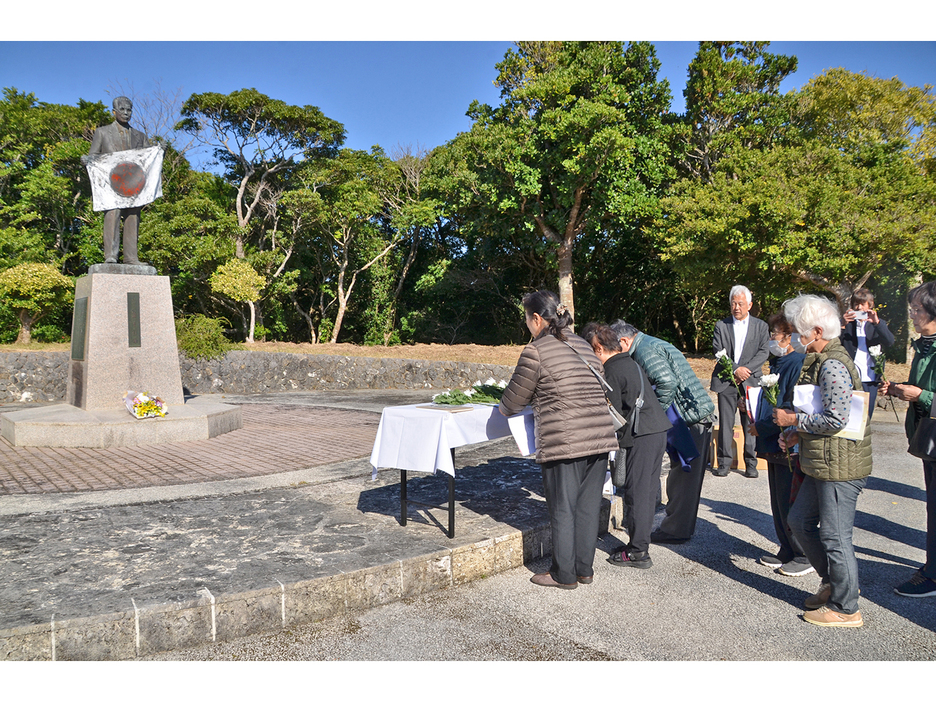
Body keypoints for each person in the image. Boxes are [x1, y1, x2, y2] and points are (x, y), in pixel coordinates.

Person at [499, 291, 619, 589]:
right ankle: (584, 569)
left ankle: (563, 575)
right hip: (600, 437)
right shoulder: (583, 344)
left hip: (565, 439)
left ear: (537, 319)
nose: (527, 326)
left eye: (527, 320)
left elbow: (512, 403)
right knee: (589, 506)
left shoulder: (536, 351)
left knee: (563, 507)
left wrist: (502, 404)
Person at [773, 294, 872, 628]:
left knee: (834, 535)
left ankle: (846, 607)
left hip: (840, 467)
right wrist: (798, 435)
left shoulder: (831, 364)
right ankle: (833, 583)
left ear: (816, 330)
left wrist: (793, 423)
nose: (798, 337)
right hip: (824, 461)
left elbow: (836, 419)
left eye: (801, 331)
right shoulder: (822, 359)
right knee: (800, 521)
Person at [610, 320, 716, 544]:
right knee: (682, 478)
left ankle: (675, 531)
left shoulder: (646, 350)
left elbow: (666, 382)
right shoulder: (649, 344)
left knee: (683, 480)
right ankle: (677, 527)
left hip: (691, 419)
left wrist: (652, 414)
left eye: (615, 347)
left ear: (625, 341)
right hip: (693, 416)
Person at [582, 324, 671, 569]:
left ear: (598, 348)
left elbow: (611, 413)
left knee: (638, 494)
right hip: (655, 430)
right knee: (645, 489)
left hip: (642, 435)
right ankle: (638, 544)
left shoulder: (611, 371)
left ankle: (639, 552)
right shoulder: (630, 362)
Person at [882, 281, 936, 597]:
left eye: (917, 310)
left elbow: (927, 392)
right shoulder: (925, 344)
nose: (912, 315)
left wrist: (922, 396)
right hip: (926, 436)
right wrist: (901, 388)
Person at [748, 312, 812, 576]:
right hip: (772, 440)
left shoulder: (796, 362)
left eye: (775, 333)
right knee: (777, 498)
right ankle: (785, 547)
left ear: (789, 336)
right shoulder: (779, 362)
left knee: (790, 498)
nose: (772, 338)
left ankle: (802, 552)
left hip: (786, 440)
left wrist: (762, 425)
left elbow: (788, 404)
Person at [81, 96, 150, 265]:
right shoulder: (102, 132)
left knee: (133, 217)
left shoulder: (140, 136)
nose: (126, 113)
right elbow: (94, 155)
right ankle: (110, 256)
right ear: (114, 112)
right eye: (122, 110)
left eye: (129, 110)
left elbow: (149, 158)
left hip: (133, 185)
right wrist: (87, 160)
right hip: (112, 184)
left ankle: (131, 257)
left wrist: (159, 150)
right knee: (112, 216)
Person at [711, 285, 770, 478]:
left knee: (750, 423)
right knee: (726, 423)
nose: (736, 307)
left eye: (741, 303)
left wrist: (746, 370)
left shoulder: (761, 326)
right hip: (726, 380)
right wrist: (735, 369)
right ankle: (724, 463)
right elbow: (718, 351)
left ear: (750, 305)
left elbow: (764, 351)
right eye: (733, 303)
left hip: (751, 380)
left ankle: (751, 463)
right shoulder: (722, 325)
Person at [841, 288, 895, 419]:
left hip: (870, 378)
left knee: (865, 418)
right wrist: (842, 325)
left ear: (870, 305)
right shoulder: (846, 324)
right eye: (856, 304)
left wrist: (876, 323)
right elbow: (833, 343)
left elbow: (890, 342)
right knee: (848, 416)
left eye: (863, 304)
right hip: (849, 377)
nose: (859, 308)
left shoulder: (877, 324)